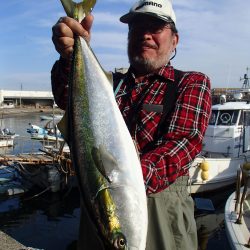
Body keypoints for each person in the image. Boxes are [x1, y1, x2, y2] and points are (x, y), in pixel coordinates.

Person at [51, 0, 211, 249]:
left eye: (156, 27)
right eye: (137, 27)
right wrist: (68, 58)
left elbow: (181, 146)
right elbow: (64, 96)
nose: (145, 35)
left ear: (175, 40)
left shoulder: (191, 83)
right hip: (104, 218)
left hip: (162, 225)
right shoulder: (109, 85)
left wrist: (120, 181)